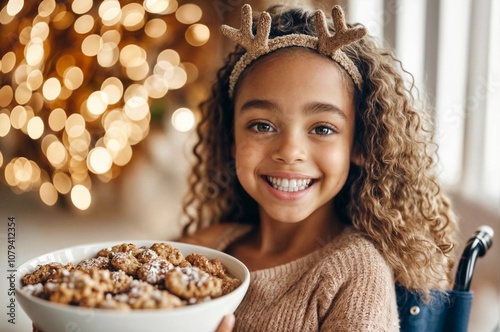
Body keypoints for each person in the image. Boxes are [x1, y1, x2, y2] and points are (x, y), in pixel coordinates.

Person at [181, 3, 459, 331]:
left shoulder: (355, 274)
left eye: (323, 129)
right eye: (261, 125)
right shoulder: (202, 249)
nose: (290, 152)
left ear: (358, 145)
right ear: (231, 137)